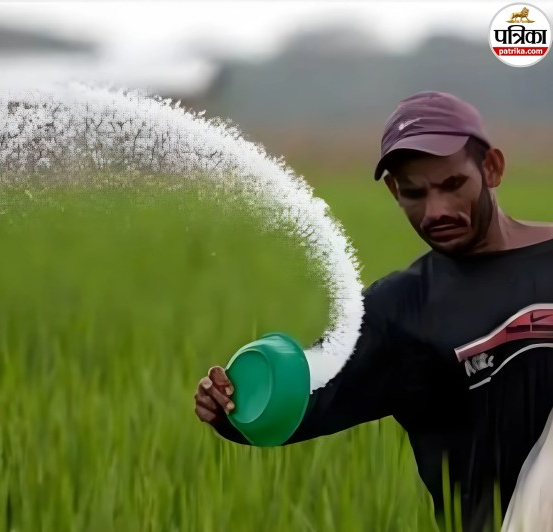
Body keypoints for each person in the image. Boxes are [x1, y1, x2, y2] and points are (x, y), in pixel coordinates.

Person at [194, 91, 553, 532]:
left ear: (491, 168)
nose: (436, 211)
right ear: (393, 192)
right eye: (414, 193)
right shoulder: (401, 312)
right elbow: (300, 398)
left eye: (452, 185)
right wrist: (229, 404)